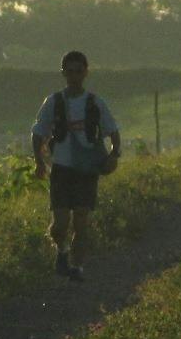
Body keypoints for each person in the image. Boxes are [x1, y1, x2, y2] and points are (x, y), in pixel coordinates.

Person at [30, 49, 121, 282]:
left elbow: (113, 131)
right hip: (61, 168)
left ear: (86, 72)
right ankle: (62, 251)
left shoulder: (95, 103)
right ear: (63, 73)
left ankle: (77, 267)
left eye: (78, 71)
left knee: (81, 221)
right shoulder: (53, 102)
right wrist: (39, 161)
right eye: (69, 71)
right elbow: (38, 132)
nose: (74, 76)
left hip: (87, 169)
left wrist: (113, 155)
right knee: (60, 224)